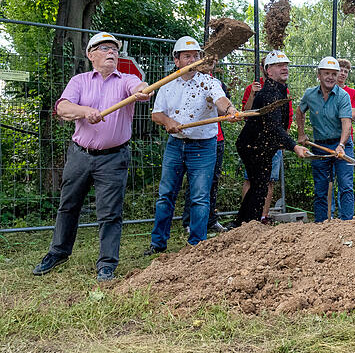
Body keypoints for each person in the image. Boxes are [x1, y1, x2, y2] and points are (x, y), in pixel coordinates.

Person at [32, 32, 149, 282]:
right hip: (80, 156)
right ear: (90, 54)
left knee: (110, 212)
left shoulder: (126, 80)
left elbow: (138, 87)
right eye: (105, 48)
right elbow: (62, 108)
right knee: (68, 205)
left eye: (115, 50)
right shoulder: (80, 81)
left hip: (113, 158)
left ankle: (106, 265)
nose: (111, 53)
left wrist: (142, 90)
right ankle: (58, 252)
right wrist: (85, 111)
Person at [146, 36, 237, 255]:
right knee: (166, 195)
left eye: (196, 56)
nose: (193, 59)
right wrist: (169, 122)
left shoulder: (208, 82)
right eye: (187, 56)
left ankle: (197, 245)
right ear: (177, 60)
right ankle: (158, 244)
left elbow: (221, 101)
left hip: (203, 147)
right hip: (175, 146)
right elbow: (156, 114)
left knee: (199, 197)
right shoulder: (166, 84)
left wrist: (230, 111)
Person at [233, 51, 310, 226]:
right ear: (268, 71)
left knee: (259, 186)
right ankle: (248, 224)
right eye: (278, 65)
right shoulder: (270, 94)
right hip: (252, 146)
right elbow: (273, 126)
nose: (284, 68)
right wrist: (294, 146)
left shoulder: (280, 90)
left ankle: (244, 223)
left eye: (286, 65)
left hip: (262, 146)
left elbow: (277, 126)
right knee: (259, 186)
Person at [297, 56, 355, 222]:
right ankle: (321, 223)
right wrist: (301, 133)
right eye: (326, 73)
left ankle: (347, 222)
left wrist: (341, 144)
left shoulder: (343, 96)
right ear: (319, 75)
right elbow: (299, 112)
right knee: (321, 188)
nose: (330, 77)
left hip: (342, 145)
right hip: (319, 146)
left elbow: (346, 122)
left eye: (334, 74)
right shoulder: (310, 95)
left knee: (345, 185)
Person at [182, 62, 230, 234]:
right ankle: (189, 220)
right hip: (197, 139)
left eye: (211, 64)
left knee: (213, 181)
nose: (209, 67)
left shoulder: (219, 85)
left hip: (217, 138)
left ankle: (210, 220)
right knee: (195, 182)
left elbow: (223, 111)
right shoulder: (189, 84)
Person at [240, 72, 294, 223]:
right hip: (254, 141)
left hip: (274, 140)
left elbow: (287, 116)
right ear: (266, 70)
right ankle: (248, 217)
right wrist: (253, 94)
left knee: (269, 179)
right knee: (250, 179)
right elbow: (246, 113)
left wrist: (284, 139)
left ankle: (263, 216)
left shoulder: (282, 90)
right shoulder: (253, 88)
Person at [333, 58, 355, 216]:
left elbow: (352, 115)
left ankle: (347, 219)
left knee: (346, 182)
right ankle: (327, 217)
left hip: (345, 140)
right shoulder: (325, 90)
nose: (342, 73)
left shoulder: (352, 93)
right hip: (326, 138)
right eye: (340, 70)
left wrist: (335, 115)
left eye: (345, 71)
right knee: (327, 182)